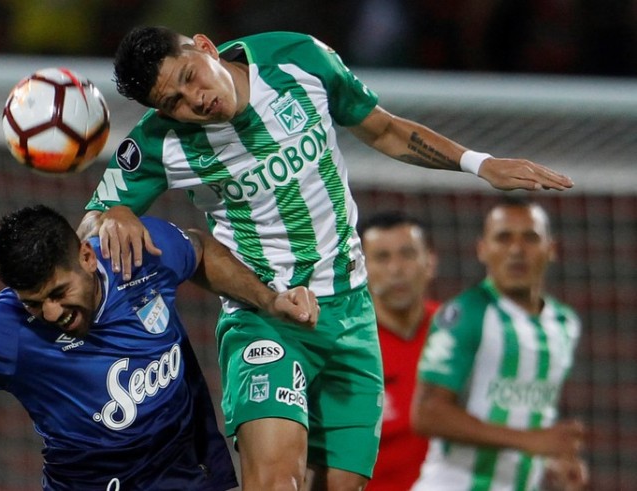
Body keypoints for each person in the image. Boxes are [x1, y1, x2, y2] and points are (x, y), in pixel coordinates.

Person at [77, 26, 574, 490]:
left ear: (204, 47)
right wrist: (112, 211)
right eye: (174, 103)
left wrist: (480, 164)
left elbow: (382, 130)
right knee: (275, 481)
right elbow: (93, 222)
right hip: (264, 316)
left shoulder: (297, 60)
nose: (196, 101)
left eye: (190, 78)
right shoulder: (159, 142)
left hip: (352, 314)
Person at [0, 204, 319, 491]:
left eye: (57, 293)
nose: (48, 312)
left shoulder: (139, 255)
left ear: (88, 257)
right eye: (33, 302)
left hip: (182, 465)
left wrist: (268, 300)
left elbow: (197, 249)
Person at [411, 197, 587, 490]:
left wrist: (553, 460)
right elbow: (427, 413)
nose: (517, 250)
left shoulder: (565, 324)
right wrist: (529, 441)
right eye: (504, 238)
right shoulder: (467, 313)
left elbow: (528, 413)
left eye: (530, 238)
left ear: (551, 249)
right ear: (483, 249)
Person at [358, 211, 439, 491]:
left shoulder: (462, 335)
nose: (396, 269)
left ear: (430, 262)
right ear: (360, 268)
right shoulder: (345, 349)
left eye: (407, 254)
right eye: (382, 257)